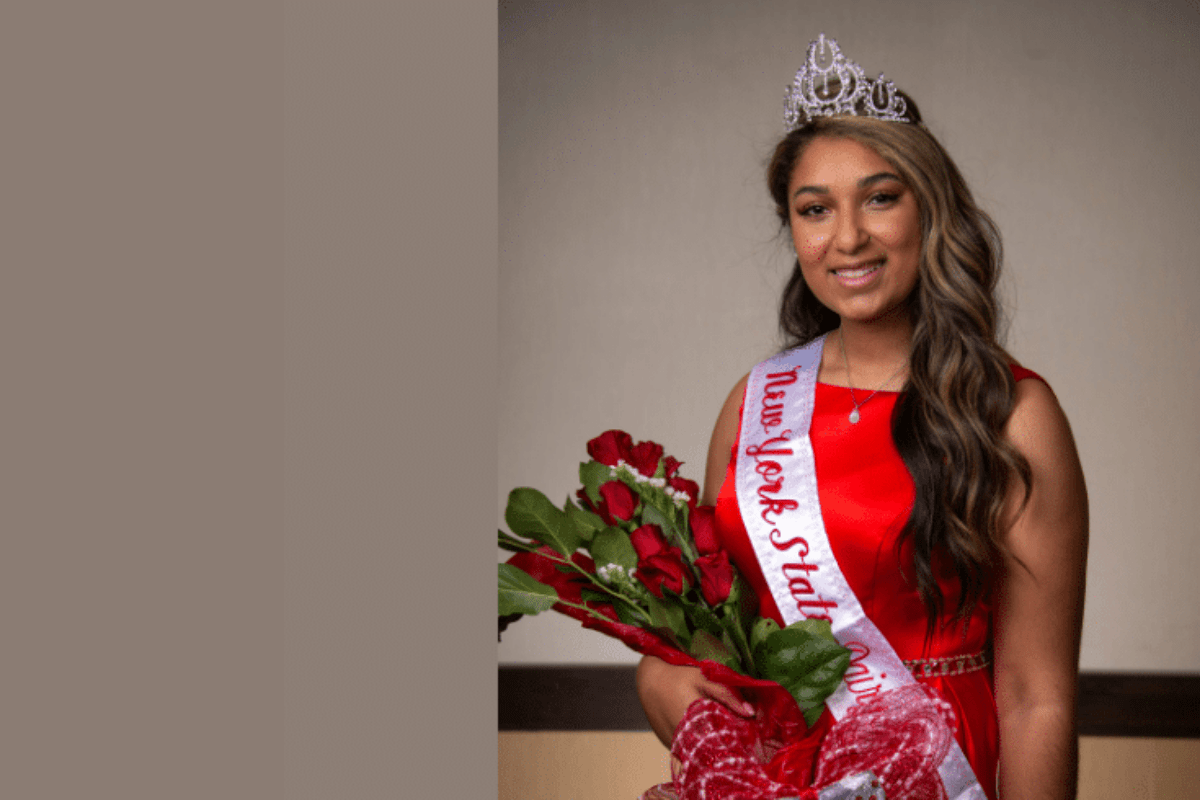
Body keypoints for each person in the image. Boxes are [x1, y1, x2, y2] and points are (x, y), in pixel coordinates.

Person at [634, 36, 1088, 800]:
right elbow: (711, 635)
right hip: (777, 774)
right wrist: (664, 677)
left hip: (935, 773)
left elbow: (1036, 698)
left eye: (880, 198)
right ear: (795, 231)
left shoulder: (1011, 413)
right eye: (815, 210)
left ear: (929, 209)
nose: (847, 237)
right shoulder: (755, 402)